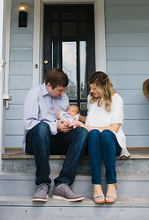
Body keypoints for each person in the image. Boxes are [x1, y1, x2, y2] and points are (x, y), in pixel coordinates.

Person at [23, 68, 88, 203]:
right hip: (36, 141)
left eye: (64, 90)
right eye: (60, 90)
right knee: (42, 127)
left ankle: (62, 184)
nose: (63, 93)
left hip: (55, 140)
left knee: (81, 132)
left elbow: (64, 117)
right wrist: (55, 126)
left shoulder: (62, 96)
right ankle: (43, 183)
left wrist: (67, 124)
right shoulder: (34, 94)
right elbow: (29, 124)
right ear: (48, 85)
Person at [80, 71, 130, 204]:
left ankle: (111, 184)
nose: (91, 91)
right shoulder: (92, 100)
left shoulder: (116, 99)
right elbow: (91, 121)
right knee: (95, 134)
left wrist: (88, 127)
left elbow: (114, 128)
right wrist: (77, 119)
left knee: (106, 134)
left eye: (95, 88)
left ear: (104, 87)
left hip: (111, 142)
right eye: (91, 88)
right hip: (94, 142)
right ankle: (96, 186)